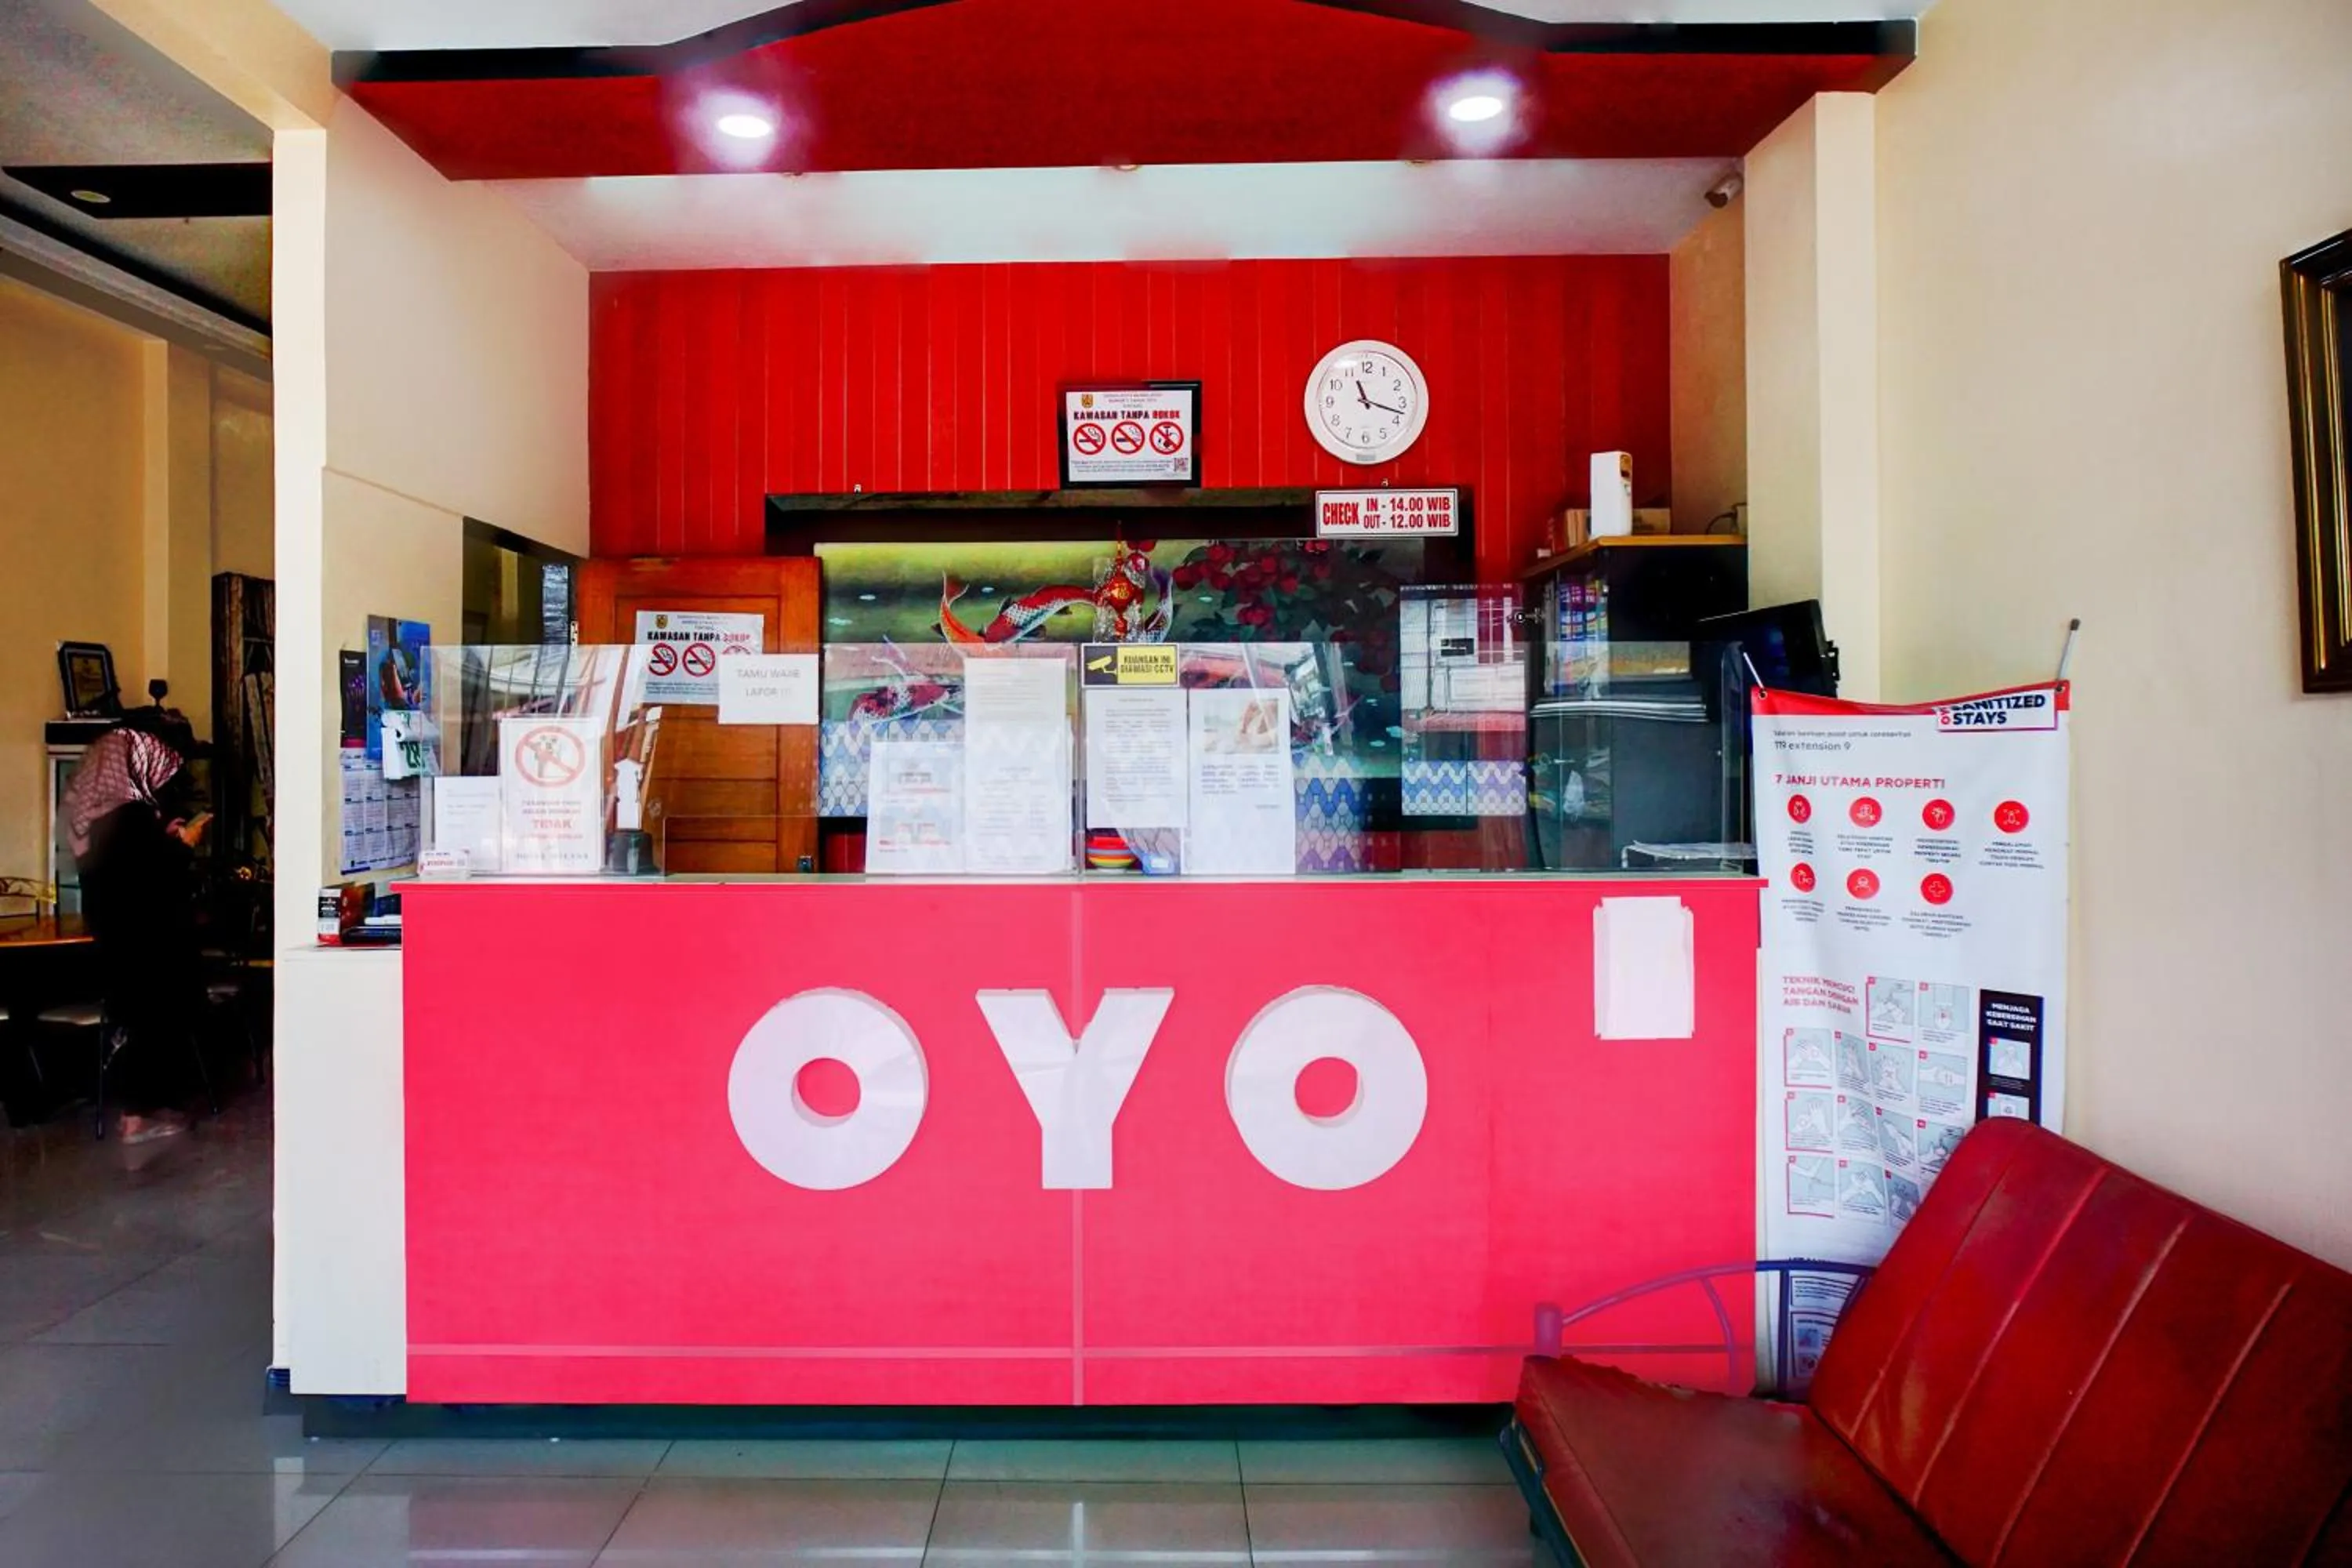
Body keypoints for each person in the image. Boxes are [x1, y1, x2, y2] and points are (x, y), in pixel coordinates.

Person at [63, 726, 208, 1144]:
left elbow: (120, 867)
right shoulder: (130, 816)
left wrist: (163, 840)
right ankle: (138, 1118)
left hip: (113, 938)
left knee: (136, 1017)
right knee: (154, 1016)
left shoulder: (95, 812)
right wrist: (183, 845)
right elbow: (153, 879)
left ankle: (140, 1111)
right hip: (147, 942)